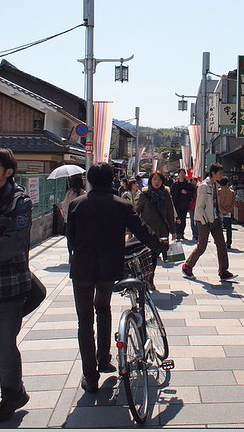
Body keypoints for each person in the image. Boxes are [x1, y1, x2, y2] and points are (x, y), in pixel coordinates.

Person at [67, 162, 168, 394]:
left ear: (90, 181)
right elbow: (142, 230)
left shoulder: (76, 205)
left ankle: (90, 377)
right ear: (111, 179)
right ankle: (104, 359)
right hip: (108, 268)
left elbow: (70, 238)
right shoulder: (121, 205)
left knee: (84, 321)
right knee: (103, 307)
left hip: (82, 268)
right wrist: (160, 246)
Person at [0, 147, 33, 422]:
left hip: (9, 284)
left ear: (8, 171)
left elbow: (15, 242)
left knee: (4, 346)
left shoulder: (20, 200)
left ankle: (12, 394)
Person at [182, 164, 238, 282]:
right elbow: (199, 206)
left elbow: (215, 204)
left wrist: (220, 214)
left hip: (215, 219)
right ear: (213, 173)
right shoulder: (203, 186)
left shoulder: (216, 185)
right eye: (220, 173)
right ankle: (187, 266)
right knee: (202, 246)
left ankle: (223, 271)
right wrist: (204, 220)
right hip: (205, 220)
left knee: (221, 245)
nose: (221, 175)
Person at [133, 171, 176, 287]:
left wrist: (173, 231)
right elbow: (137, 211)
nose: (157, 182)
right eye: (154, 179)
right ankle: (145, 277)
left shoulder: (166, 194)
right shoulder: (145, 194)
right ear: (150, 180)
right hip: (145, 229)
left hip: (160, 229)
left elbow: (170, 213)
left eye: (159, 180)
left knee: (154, 255)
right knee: (145, 255)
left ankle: (150, 278)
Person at [170, 168, 195, 240]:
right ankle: (177, 233)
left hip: (184, 204)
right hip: (176, 204)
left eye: (183, 173)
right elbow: (171, 194)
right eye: (180, 173)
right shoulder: (174, 184)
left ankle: (181, 233)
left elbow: (192, 193)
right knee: (177, 219)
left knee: (183, 219)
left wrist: (186, 192)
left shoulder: (188, 184)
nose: (182, 174)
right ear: (178, 174)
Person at [217, 177, 236, 250]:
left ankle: (219, 241)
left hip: (220, 211)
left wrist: (221, 209)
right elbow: (234, 202)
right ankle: (228, 242)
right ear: (227, 183)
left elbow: (218, 202)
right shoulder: (231, 192)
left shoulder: (218, 191)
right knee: (228, 228)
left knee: (219, 228)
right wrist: (229, 209)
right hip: (228, 212)